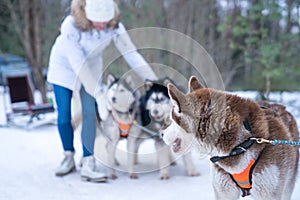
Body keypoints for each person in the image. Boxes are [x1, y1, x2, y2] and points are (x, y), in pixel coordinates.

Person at [47, 0, 157, 182]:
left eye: (105, 22)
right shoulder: (71, 25)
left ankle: (88, 160)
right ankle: (68, 156)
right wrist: (98, 93)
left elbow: (131, 54)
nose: (101, 26)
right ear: (86, 14)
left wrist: (153, 81)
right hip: (64, 69)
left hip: (92, 69)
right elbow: (77, 63)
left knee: (90, 112)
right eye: (98, 22)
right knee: (65, 115)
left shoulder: (114, 27)